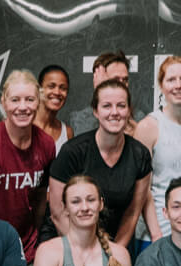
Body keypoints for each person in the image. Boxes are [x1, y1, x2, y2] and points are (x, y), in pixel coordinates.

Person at [47, 77, 151, 246]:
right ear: (95, 111)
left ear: (128, 110)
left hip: (115, 243)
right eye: (107, 106)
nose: (115, 112)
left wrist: (113, 254)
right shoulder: (73, 151)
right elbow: (58, 212)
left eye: (121, 106)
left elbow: (132, 213)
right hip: (68, 242)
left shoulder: (140, 155)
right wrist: (86, 253)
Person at [0, 69, 56, 263]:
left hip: (27, 247)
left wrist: (37, 236)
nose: (22, 107)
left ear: (38, 102)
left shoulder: (47, 145)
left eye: (30, 100)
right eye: (15, 100)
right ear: (4, 102)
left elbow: (41, 196)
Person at [133, 55, 181, 241]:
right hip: (156, 232)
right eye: (171, 80)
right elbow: (143, 189)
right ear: (161, 85)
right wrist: (156, 234)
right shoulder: (147, 127)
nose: (178, 85)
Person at [68, 51, 132, 137]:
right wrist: (101, 91)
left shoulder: (139, 117)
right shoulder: (80, 119)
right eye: (115, 80)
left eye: (125, 80)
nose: (122, 85)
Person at [34, 64, 73, 147]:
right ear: (38, 89)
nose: (57, 92)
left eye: (63, 88)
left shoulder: (67, 133)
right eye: (51, 86)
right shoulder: (23, 125)